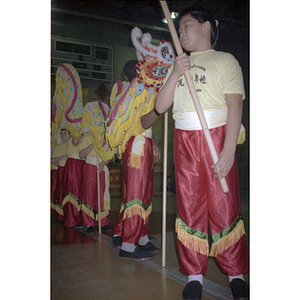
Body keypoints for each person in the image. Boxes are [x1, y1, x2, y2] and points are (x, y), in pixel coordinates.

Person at [145, 6, 249, 300]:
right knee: (189, 206)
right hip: (185, 140)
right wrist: (176, 72)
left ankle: (236, 274)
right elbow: (161, 106)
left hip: (217, 136)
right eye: (179, 29)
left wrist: (228, 150)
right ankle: (194, 276)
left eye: (187, 25)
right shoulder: (179, 65)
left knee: (224, 205)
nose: (181, 33)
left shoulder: (225, 60)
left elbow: (235, 106)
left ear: (206, 27)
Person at [112, 60, 161, 260]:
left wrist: (154, 143)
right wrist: (159, 110)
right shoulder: (133, 92)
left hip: (144, 143)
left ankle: (140, 236)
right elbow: (142, 123)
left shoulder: (142, 91)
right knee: (135, 196)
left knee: (144, 194)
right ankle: (128, 245)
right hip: (136, 146)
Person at [79, 133, 112, 233]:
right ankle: (89, 224)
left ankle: (102, 222)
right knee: (89, 195)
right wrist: (94, 144)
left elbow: (110, 156)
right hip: (90, 167)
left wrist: (103, 163)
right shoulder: (87, 137)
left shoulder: (107, 138)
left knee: (102, 195)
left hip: (101, 167)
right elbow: (81, 154)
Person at [62, 134, 85, 228]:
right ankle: (72, 218)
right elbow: (76, 141)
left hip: (80, 164)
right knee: (73, 191)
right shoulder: (75, 135)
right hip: (73, 165)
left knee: (80, 191)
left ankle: (78, 217)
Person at [51, 128, 68, 222]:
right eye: (62, 134)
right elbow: (53, 160)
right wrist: (64, 156)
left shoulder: (71, 145)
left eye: (65, 133)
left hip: (71, 170)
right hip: (62, 169)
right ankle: (61, 215)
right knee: (61, 191)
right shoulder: (59, 147)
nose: (63, 135)